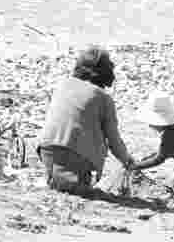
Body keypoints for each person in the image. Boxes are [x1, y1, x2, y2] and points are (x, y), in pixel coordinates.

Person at [37, 45, 135, 197]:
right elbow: (113, 141)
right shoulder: (103, 98)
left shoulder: (62, 85)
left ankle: (57, 178)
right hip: (76, 156)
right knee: (79, 187)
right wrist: (127, 161)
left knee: (60, 183)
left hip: (47, 150)